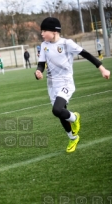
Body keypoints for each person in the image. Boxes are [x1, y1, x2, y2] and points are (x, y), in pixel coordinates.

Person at [34, 17, 110, 153]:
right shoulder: (44, 45)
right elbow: (41, 64)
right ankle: (73, 137)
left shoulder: (66, 43)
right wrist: (38, 72)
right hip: (52, 84)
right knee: (61, 113)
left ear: (54, 31)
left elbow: (86, 54)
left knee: (57, 110)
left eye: (44, 30)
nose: (42, 33)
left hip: (65, 82)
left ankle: (75, 117)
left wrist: (102, 69)